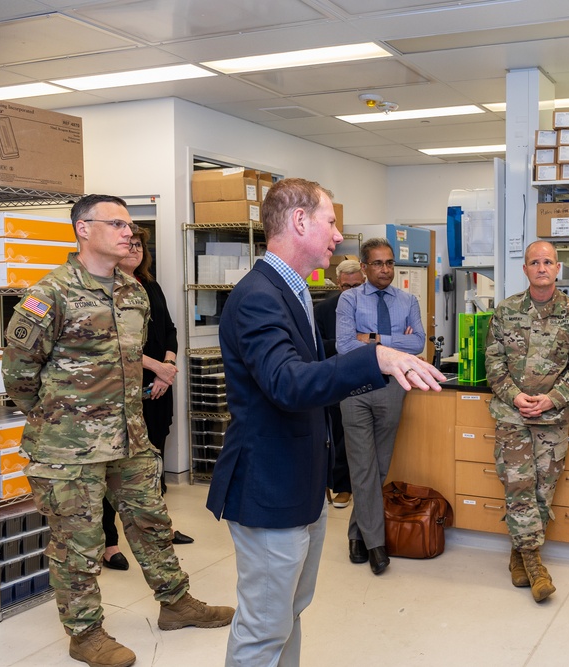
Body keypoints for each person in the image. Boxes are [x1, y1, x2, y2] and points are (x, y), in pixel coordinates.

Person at [206, 179, 444, 666]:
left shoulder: (293, 293)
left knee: (289, 613)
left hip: (301, 485)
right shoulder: (258, 297)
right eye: (330, 222)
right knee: (263, 627)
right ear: (299, 222)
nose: (338, 237)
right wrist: (375, 356)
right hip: (269, 490)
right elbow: (288, 384)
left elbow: (314, 379)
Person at [2, 194, 234, 667]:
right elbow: (19, 377)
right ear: (83, 229)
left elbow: (131, 363)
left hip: (129, 438)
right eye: (117, 223)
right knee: (78, 543)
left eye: (130, 225)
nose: (130, 232)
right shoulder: (50, 295)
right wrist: (59, 422)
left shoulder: (133, 292)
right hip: (69, 450)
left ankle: (176, 603)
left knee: (153, 524)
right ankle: (84, 634)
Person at [484, 240, 569, 603]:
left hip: (553, 417)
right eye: (535, 262)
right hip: (512, 415)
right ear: (526, 269)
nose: (542, 267)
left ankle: (518, 556)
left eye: (548, 261)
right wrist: (516, 396)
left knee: (542, 493)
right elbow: (493, 364)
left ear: (557, 268)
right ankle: (535, 566)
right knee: (518, 486)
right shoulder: (506, 311)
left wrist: (550, 399)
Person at [102, 228, 192, 572]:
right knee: (116, 469)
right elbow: (115, 346)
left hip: (159, 388)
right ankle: (109, 543)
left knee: (154, 463)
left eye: (140, 245)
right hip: (123, 391)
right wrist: (158, 369)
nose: (135, 249)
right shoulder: (106, 289)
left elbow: (169, 329)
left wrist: (167, 366)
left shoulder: (149, 286)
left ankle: (160, 529)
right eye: (129, 244)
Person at [335, 238, 426, 575]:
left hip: (392, 388)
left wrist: (372, 339)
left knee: (380, 464)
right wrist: (391, 342)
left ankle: (356, 534)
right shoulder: (348, 299)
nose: (385, 269)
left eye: (389, 263)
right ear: (364, 267)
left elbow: (416, 342)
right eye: (377, 263)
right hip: (355, 389)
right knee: (362, 465)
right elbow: (345, 346)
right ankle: (376, 544)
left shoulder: (407, 300)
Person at [313, 259, 365, 509]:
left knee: (358, 437)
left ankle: (349, 487)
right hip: (335, 375)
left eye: (356, 285)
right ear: (337, 284)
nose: (352, 291)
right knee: (336, 433)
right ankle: (338, 485)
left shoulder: (373, 306)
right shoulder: (324, 310)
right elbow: (316, 347)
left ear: (364, 281)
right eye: (346, 287)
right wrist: (347, 342)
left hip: (366, 377)